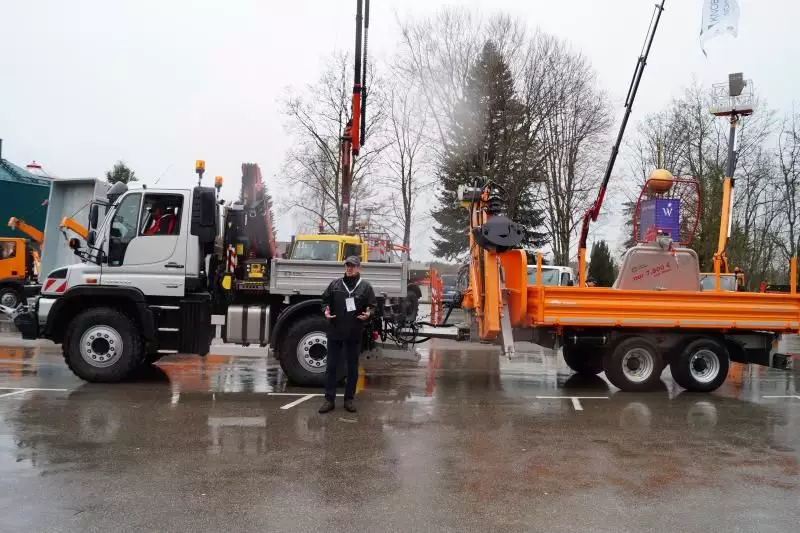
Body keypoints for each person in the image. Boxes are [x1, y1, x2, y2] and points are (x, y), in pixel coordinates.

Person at [318, 255, 376, 414]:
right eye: (347, 265)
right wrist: (326, 310)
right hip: (335, 331)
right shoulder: (335, 284)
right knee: (331, 366)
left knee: (352, 368)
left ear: (359, 268)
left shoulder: (365, 287)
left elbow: (373, 306)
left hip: (354, 332)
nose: (349, 268)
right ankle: (329, 400)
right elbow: (324, 301)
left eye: (353, 266)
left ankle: (349, 399)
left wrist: (369, 314)